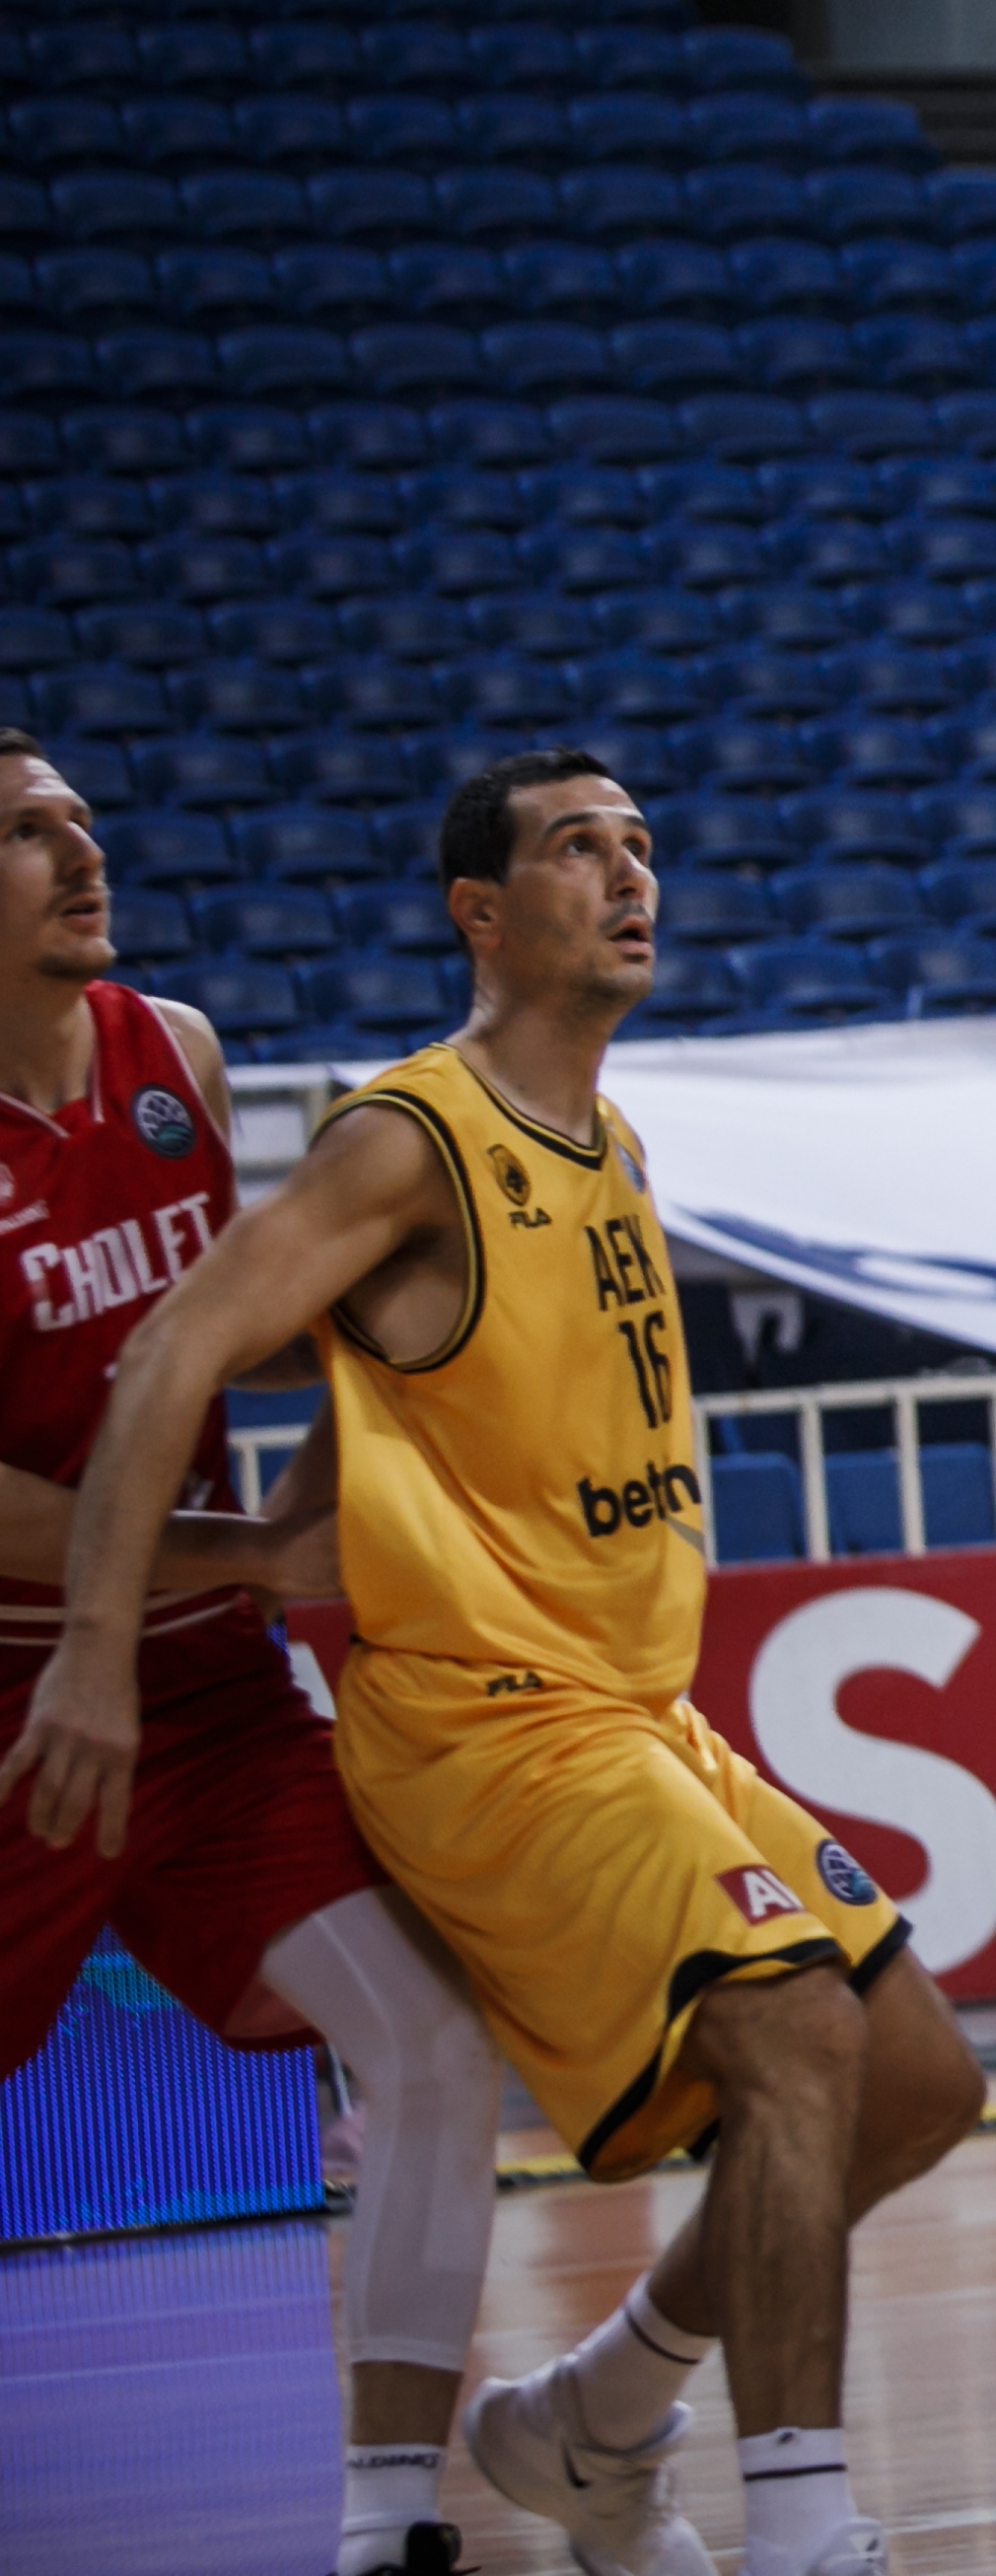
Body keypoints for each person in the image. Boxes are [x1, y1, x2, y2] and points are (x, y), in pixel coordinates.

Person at [4, 749, 990, 2576]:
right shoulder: (413, 1133)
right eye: (574, 848)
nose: (629, 876)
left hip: (628, 1708)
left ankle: (598, 2417)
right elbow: (176, 1356)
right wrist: (124, 1637)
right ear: (480, 908)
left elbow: (344, 1368)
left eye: (640, 846)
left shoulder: (608, 1138)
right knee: (788, 2025)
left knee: (921, 2077)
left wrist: (328, 1477)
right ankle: (802, 2520)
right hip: (483, 1718)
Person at [0, 735, 517, 2576]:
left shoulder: (180, 1055)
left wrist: (404, 1333)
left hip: (210, 1706)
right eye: (25, 830)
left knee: (436, 2046)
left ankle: (388, 2519)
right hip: (22, 1706)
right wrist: (251, 1547)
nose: (81, 847)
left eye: (81, 817)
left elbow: (220, 1331)